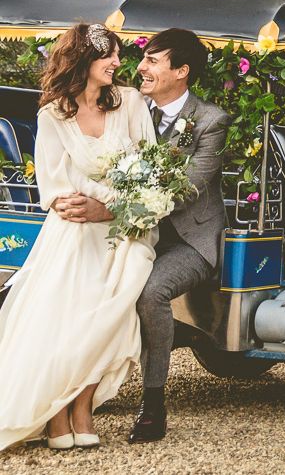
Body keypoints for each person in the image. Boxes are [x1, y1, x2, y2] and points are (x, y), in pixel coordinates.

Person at [54, 28, 231, 443]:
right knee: (90, 286)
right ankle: (72, 398)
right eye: (143, 58)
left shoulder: (211, 121)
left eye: (153, 60)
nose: (141, 67)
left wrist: (108, 208)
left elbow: (184, 189)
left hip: (188, 240)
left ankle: (153, 406)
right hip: (132, 234)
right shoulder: (127, 107)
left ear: (181, 71)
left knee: (149, 291)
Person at [0, 23, 157, 450]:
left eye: (117, 56)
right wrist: (85, 205)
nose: (117, 63)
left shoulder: (131, 103)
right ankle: (55, 411)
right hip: (72, 229)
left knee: (106, 316)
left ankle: (82, 406)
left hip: (125, 229)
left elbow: (151, 172)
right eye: (109, 56)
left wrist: (111, 206)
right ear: (84, 60)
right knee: (66, 314)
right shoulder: (53, 114)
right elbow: (52, 188)